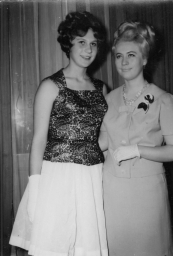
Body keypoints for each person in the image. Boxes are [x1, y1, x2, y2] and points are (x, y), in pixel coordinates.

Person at [9, 11, 108, 256]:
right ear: (69, 44)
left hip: (92, 177)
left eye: (93, 44)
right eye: (81, 42)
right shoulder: (50, 86)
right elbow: (39, 140)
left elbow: (105, 136)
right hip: (57, 176)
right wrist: (34, 189)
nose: (88, 49)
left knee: (87, 246)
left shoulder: (101, 89)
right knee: (54, 243)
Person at [99, 21, 173, 256]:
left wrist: (138, 149)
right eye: (118, 56)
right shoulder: (108, 100)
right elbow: (104, 143)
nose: (124, 62)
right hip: (112, 191)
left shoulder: (164, 99)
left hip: (146, 194)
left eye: (131, 55)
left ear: (144, 59)